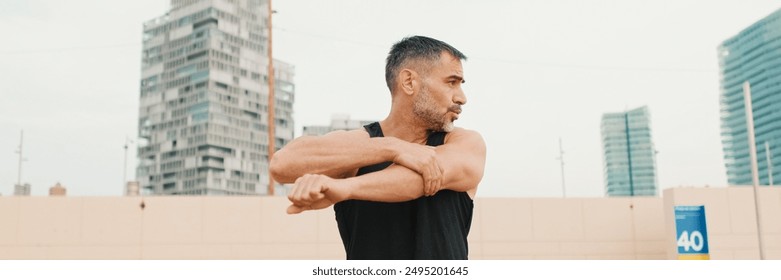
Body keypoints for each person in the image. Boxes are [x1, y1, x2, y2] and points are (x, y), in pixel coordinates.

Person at [269, 35, 486, 260]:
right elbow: (282, 165)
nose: (462, 98)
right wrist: (391, 148)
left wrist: (344, 188)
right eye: (451, 82)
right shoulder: (364, 142)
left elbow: (423, 176)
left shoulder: (465, 144)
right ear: (409, 82)